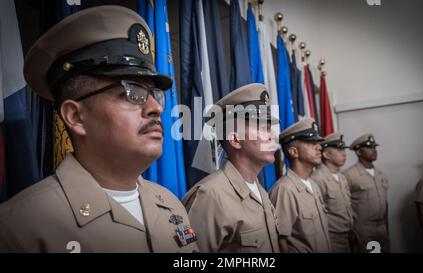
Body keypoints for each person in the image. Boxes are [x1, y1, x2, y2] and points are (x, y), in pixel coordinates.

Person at [0, 6, 198, 253]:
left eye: (154, 94)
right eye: (132, 92)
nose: (155, 107)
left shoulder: (171, 205)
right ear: (75, 116)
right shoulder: (21, 229)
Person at [182, 83, 280, 253]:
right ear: (235, 140)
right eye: (264, 128)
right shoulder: (210, 196)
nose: (274, 135)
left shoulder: (260, 191)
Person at [269, 118, 331, 253]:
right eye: (312, 143)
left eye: (318, 143)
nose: (320, 147)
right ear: (294, 152)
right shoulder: (284, 190)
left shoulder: (313, 185)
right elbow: (280, 241)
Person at [344, 133, 389, 253]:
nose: (374, 150)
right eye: (369, 147)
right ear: (358, 152)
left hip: (382, 227)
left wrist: (387, 227)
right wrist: (350, 230)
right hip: (364, 228)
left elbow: (385, 203)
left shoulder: (380, 174)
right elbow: (344, 205)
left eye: (374, 147)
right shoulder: (349, 175)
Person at [311, 132, 353, 253]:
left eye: (343, 149)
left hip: (347, 234)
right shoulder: (317, 179)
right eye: (339, 150)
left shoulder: (341, 177)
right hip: (331, 238)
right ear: (326, 154)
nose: (344, 153)